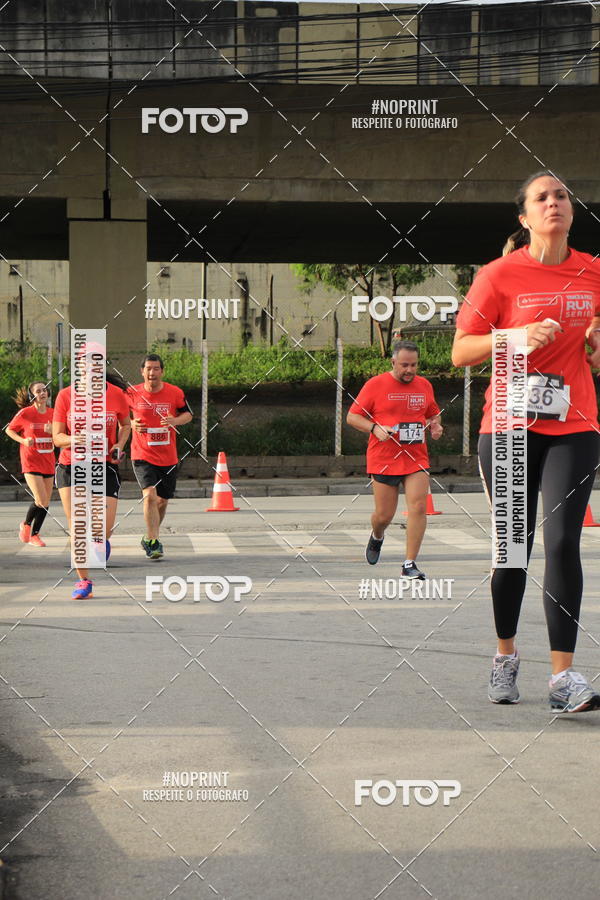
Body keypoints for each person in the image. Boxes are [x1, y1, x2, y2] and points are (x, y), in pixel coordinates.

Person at [452, 170, 600, 714]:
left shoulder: (593, 271)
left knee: (562, 544)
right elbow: (460, 351)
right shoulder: (498, 275)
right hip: (509, 426)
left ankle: (563, 677)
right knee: (514, 549)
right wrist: (514, 336)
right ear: (525, 217)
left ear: (572, 211)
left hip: (574, 423)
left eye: (561, 195)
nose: (553, 202)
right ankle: (505, 655)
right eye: (542, 197)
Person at [347, 340, 443, 579]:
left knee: (418, 507)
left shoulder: (424, 385)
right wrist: (374, 428)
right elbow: (352, 416)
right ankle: (377, 535)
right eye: (404, 365)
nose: (410, 370)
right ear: (393, 362)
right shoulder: (376, 385)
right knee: (384, 516)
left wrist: (435, 426)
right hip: (384, 458)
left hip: (415, 457)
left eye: (414, 365)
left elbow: (433, 414)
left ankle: (409, 564)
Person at [53, 361, 131, 599]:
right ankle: (83, 580)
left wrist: (119, 444)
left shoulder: (116, 394)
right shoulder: (66, 396)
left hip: (104, 466)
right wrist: (75, 439)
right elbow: (57, 437)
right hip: (71, 466)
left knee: (100, 531)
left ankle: (99, 542)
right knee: (78, 527)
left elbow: (126, 425)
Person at [127, 353, 193, 559]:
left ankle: (149, 536)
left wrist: (175, 421)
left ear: (162, 371)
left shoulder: (174, 392)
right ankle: (154, 542)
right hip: (142, 453)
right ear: (142, 371)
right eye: (148, 368)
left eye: (156, 368)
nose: (152, 372)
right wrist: (132, 424)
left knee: (162, 501)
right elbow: (120, 416)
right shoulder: (131, 393)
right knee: (150, 495)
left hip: (167, 456)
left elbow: (188, 414)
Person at [6, 381, 55, 547]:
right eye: (38, 391)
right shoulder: (25, 413)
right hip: (31, 461)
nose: (42, 393)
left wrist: (52, 432)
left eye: (44, 390)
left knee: (46, 502)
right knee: (40, 499)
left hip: (48, 460)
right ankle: (28, 526)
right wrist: (23, 440)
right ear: (32, 396)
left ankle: (33, 533)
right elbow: (9, 430)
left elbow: (61, 435)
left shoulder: (53, 413)